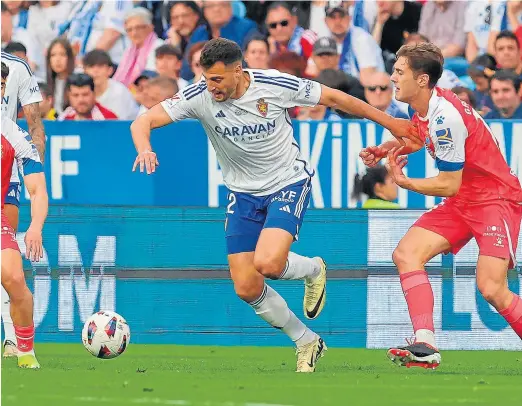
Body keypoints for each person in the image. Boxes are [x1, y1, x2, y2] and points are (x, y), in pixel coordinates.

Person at [130, 38, 414, 372]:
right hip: (242, 193)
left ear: (239, 70)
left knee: (267, 263)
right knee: (246, 286)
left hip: (287, 183)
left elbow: (335, 97)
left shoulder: (274, 85)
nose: (212, 87)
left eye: (218, 79)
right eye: (207, 79)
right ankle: (306, 340)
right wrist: (144, 148)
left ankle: (312, 269)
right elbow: (142, 121)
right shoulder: (198, 96)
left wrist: (391, 122)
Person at [360, 42, 522, 369]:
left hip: (494, 199)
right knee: (406, 254)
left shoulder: (445, 116)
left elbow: (448, 183)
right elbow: (420, 138)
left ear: (422, 80)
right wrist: (385, 148)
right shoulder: (422, 107)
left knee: (492, 288)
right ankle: (426, 344)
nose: (392, 77)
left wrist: (407, 184)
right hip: (464, 200)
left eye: (399, 72)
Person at [1, 61, 48, 369]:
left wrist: (35, 226)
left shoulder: (12, 133)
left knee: (16, 278)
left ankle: (25, 352)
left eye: (1, 86)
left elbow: (38, 191)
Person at [83, 50, 139, 120]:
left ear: (110, 70)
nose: (95, 71)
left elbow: (118, 126)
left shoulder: (120, 92)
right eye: (91, 66)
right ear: (84, 71)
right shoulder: (81, 92)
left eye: (100, 66)